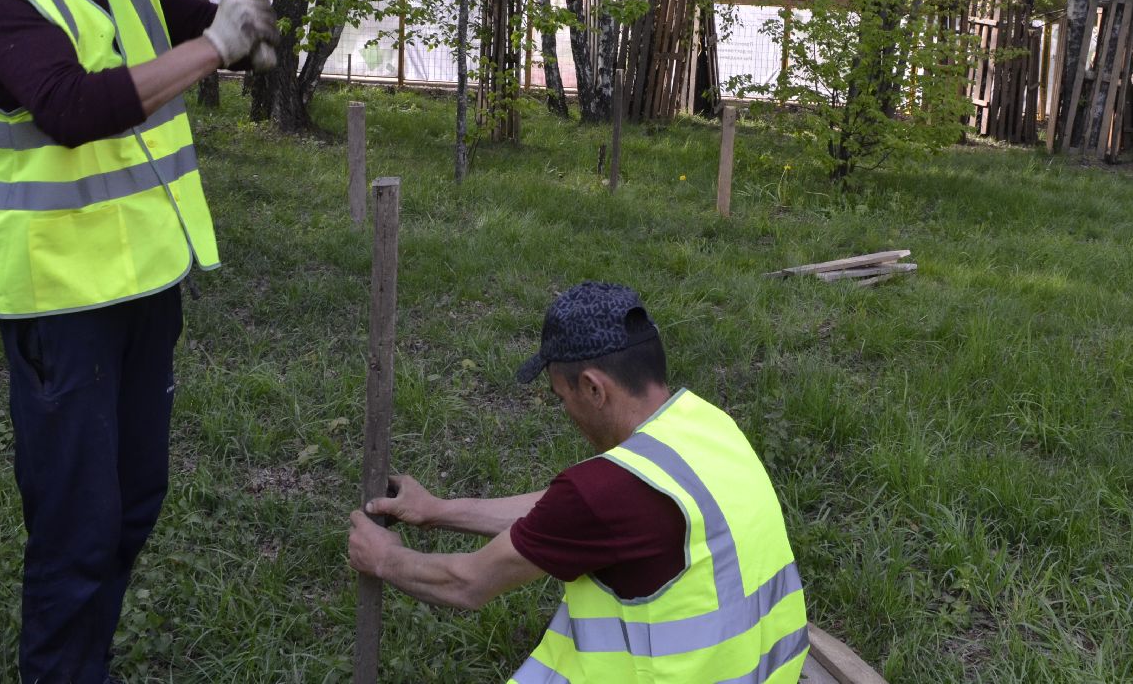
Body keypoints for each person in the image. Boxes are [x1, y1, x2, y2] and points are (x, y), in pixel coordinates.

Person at [0, 0, 278, 684]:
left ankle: (83, 661)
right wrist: (211, 46)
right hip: (60, 305)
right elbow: (71, 108)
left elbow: (254, 40)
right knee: (76, 526)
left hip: (145, 288)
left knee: (131, 504)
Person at [347, 281, 810, 683]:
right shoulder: (708, 426)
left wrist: (384, 558)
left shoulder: (606, 493)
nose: (566, 411)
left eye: (561, 396)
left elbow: (467, 583)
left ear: (593, 387)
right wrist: (439, 511)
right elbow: (567, 514)